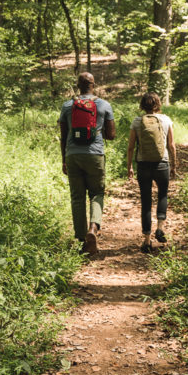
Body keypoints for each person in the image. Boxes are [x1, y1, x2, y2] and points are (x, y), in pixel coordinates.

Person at [58, 72, 116, 255]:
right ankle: (93, 229)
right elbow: (112, 135)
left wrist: (64, 160)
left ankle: (81, 239)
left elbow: (64, 136)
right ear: (93, 84)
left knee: (77, 197)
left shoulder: (68, 106)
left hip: (73, 155)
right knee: (97, 193)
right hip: (95, 155)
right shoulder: (104, 105)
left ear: (78, 85)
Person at [126, 92, 177, 253]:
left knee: (146, 201)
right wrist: (174, 165)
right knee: (162, 195)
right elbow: (172, 145)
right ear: (158, 104)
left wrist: (129, 167)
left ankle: (147, 240)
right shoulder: (166, 120)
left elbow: (131, 147)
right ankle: (160, 228)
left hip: (143, 165)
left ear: (142, 105)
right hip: (162, 163)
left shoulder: (137, 121)